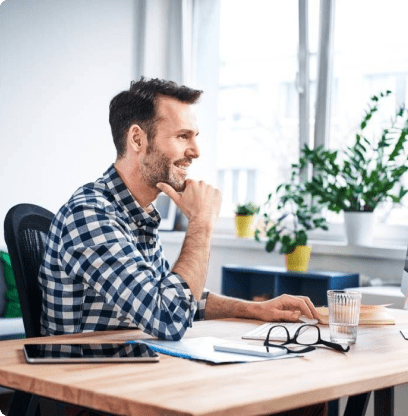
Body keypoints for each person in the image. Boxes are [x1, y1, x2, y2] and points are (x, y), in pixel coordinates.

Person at [39, 77, 326, 416]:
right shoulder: (91, 215)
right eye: (182, 136)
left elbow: (177, 298)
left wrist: (256, 310)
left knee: (302, 395)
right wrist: (202, 223)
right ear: (137, 138)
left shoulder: (137, 214)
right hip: (95, 397)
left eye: (195, 136)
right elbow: (168, 318)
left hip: (141, 378)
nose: (196, 151)